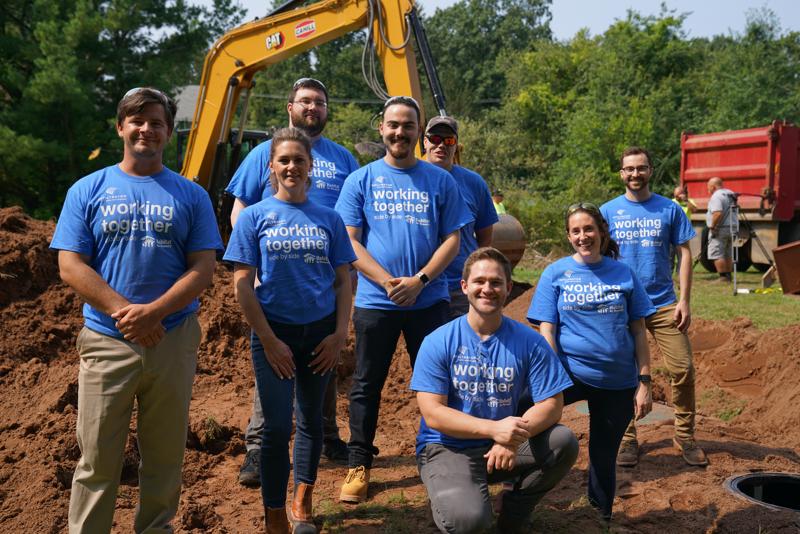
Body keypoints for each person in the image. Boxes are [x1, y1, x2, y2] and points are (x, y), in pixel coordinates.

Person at [50, 87, 223, 533]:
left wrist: (155, 314)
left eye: (157, 122)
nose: (147, 128)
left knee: (164, 459)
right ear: (121, 126)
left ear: (169, 131)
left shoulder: (191, 195)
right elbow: (70, 264)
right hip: (108, 342)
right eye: (137, 120)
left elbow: (203, 268)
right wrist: (128, 313)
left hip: (172, 339)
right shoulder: (88, 190)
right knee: (97, 460)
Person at [335, 96, 472, 503]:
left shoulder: (440, 181)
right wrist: (386, 282)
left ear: (418, 132)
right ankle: (359, 464)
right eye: (393, 125)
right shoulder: (361, 180)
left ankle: (446, 458)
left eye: (408, 126)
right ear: (382, 128)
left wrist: (420, 280)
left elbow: (454, 239)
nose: (400, 132)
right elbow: (348, 240)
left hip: (428, 302)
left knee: (439, 382)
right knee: (366, 384)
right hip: (376, 304)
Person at [227, 78, 359, 484]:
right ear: (290, 107)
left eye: (320, 101)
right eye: (305, 100)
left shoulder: (343, 158)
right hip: (278, 277)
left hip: (326, 276)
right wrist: (257, 254)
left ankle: (327, 438)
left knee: (321, 364)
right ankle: (258, 450)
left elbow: (355, 214)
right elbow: (240, 210)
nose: (313, 107)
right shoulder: (265, 155)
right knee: (276, 368)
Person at [412, 247, 578, 534]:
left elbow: (552, 403)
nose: (487, 288)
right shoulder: (438, 341)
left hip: (499, 447)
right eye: (479, 281)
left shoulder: (530, 341)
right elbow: (433, 413)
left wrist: (510, 439)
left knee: (563, 442)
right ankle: (453, 494)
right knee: (469, 522)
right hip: (447, 447)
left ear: (509, 288)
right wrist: (494, 430)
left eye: (496, 282)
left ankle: (512, 517)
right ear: (464, 287)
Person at [527, 203, 655, 520]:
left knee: (603, 455)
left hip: (616, 382)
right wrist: (549, 375)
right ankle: (520, 502)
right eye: (575, 231)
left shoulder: (624, 273)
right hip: (568, 376)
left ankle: (599, 519)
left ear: (601, 232)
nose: (583, 236)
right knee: (525, 422)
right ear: (569, 236)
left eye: (588, 229)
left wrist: (645, 382)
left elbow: (639, 331)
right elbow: (547, 328)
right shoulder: (555, 273)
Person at [600, 147, 708, 467]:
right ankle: (628, 439)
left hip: (663, 304)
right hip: (621, 306)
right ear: (621, 174)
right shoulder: (607, 212)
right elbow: (598, 257)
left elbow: (685, 254)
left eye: (641, 168)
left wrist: (685, 299)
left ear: (651, 171)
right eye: (629, 169)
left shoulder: (670, 210)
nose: (635, 174)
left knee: (683, 368)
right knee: (623, 373)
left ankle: (685, 436)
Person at [423, 115, 498, 317]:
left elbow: (485, 236)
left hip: (461, 286)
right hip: (422, 286)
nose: (441, 145)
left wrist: (478, 274)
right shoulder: (411, 179)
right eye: (435, 139)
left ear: (456, 145)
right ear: (424, 142)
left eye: (448, 140)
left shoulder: (474, 183)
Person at [706, 177, 739, 282]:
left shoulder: (716, 196)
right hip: (733, 226)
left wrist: (712, 226)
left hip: (721, 228)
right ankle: (728, 276)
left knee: (717, 252)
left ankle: (723, 277)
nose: (708, 191)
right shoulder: (730, 193)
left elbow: (717, 213)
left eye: (709, 188)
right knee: (727, 252)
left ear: (713, 187)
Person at [671, 186, 697, 274]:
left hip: (684, 231)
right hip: (672, 230)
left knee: (682, 253)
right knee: (670, 253)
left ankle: (680, 272)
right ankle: (669, 271)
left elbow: (694, 209)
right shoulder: (671, 202)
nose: (677, 196)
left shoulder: (690, 201)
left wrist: (685, 201)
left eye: (679, 194)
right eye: (676, 194)